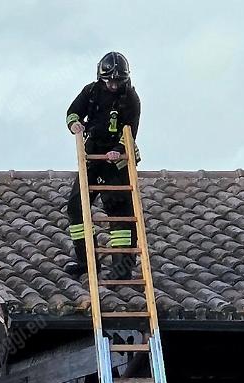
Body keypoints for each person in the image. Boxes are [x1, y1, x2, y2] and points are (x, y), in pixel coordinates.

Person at [64, 51, 141, 281]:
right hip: (92, 156)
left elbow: (130, 131)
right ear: (101, 77)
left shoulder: (131, 99)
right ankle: (86, 262)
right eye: (110, 80)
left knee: (120, 213)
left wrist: (117, 149)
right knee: (77, 206)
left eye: (118, 81)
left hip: (116, 161)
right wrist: (75, 124)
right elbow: (72, 112)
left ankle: (122, 269)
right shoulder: (91, 92)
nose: (114, 85)